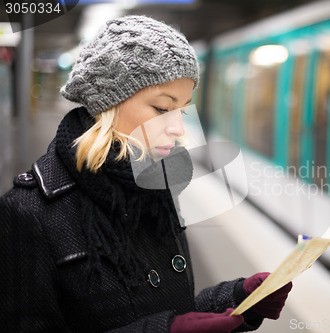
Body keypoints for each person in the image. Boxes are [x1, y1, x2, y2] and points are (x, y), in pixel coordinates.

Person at [0, 16, 292, 332]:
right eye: (162, 109)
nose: (179, 128)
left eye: (183, 109)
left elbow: (170, 308)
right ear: (108, 104)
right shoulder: (27, 212)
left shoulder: (157, 186)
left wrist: (237, 298)